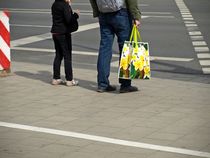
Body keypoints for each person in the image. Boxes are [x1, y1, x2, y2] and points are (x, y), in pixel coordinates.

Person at [89, 0, 141, 93]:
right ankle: (125, 85)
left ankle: (102, 84)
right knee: (126, 49)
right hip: (121, 13)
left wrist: (97, 11)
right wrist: (136, 16)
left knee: (104, 48)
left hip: (104, 13)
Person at [51, 0, 80, 86]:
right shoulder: (64, 5)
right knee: (67, 56)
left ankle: (56, 78)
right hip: (63, 33)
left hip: (55, 32)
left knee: (58, 55)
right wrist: (76, 15)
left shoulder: (55, 4)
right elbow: (69, 20)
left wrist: (68, 6)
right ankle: (69, 80)